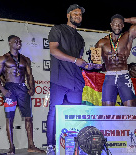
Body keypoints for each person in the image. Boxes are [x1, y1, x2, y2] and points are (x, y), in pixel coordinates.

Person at [46, 4, 100, 154]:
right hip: (60, 78)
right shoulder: (57, 29)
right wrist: (75, 60)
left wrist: (90, 66)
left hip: (76, 81)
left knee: (74, 113)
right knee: (54, 112)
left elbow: (79, 60)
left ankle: (73, 145)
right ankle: (51, 145)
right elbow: (54, 50)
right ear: (68, 15)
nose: (78, 16)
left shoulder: (80, 38)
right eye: (75, 13)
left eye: (80, 14)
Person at [0, 35, 45, 154]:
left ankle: (31, 145)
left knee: (28, 118)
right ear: (9, 43)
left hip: (22, 89)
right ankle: (11, 147)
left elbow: (29, 75)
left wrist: (32, 88)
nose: (18, 42)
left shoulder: (25, 59)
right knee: (9, 118)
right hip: (10, 89)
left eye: (20, 41)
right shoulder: (3, 58)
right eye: (15, 41)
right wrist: (2, 89)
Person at [95, 14, 136, 107]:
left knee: (131, 108)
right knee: (107, 109)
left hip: (124, 76)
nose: (117, 26)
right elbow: (95, 62)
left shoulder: (128, 36)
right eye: (115, 24)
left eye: (119, 24)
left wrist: (124, 19)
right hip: (110, 76)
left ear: (123, 25)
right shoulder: (101, 42)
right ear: (111, 25)